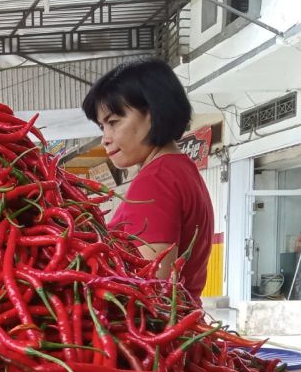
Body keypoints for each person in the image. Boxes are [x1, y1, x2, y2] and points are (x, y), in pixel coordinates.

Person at [81, 57, 214, 302]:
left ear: (153, 113)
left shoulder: (158, 179)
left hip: (155, 336)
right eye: (102, 127)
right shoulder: (180, 168)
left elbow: (152, 289)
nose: (105, 138)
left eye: (113, 122)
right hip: (179, 329)